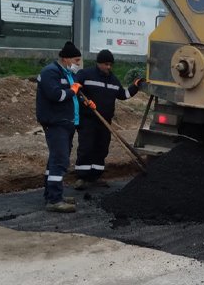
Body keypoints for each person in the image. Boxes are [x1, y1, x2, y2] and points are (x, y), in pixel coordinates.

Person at [73, 49, 142, 190]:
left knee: (101, 148)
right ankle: (82, 178)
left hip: (105, 122)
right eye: (105, 64)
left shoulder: (113, 80)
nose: (108, 67)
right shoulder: (85, 74)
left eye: (110, 64)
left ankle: (95, 177)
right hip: (88, 120)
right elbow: (75, 89)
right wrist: (83, 101)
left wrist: (135, 87)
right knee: (86, 148)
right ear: (98, 63)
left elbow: (123, 95)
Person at [35, 41, 87, 213]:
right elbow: (56, 95)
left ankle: (52, 194)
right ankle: (55, 200)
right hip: (56, 123)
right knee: (60, 161)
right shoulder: (51, 72)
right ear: (65, 59)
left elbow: (71, 95)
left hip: (67, 123)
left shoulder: (67, 73)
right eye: (76, 60)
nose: (78, 64)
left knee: (54, 161)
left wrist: (81, 99)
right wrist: (73, 91)